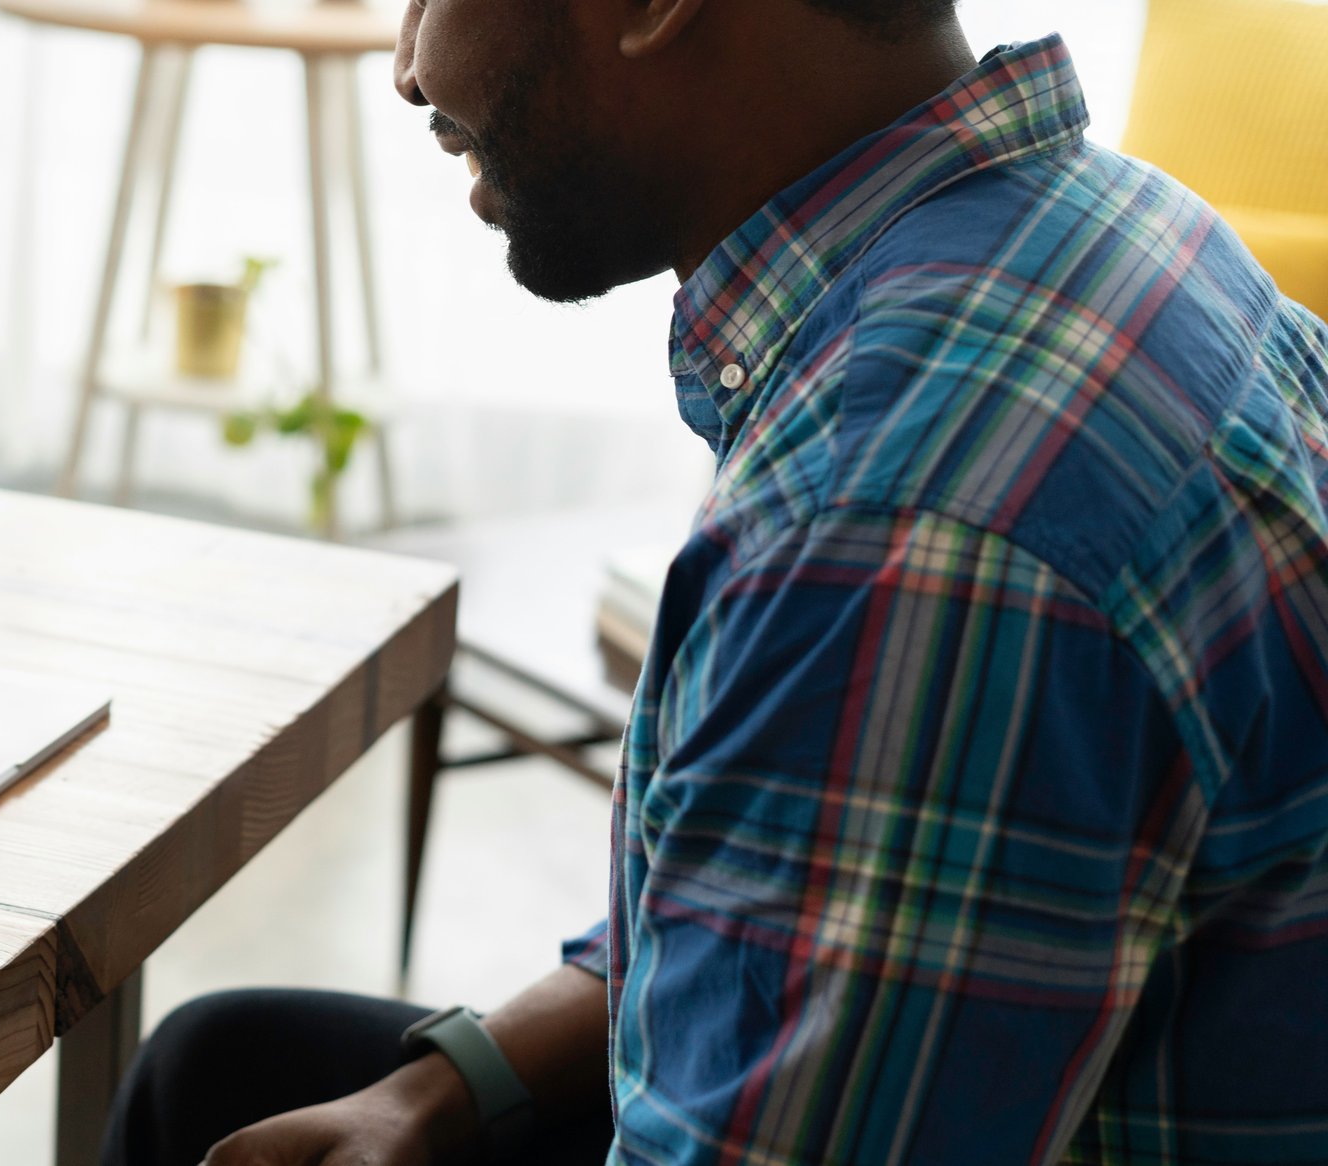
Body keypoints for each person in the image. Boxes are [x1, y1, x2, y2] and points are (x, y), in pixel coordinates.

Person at [103, 0, 1328, 1163]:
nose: (408, 61)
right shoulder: (1103, 236)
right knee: (223, 1065)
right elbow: (769, 901)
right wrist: (443, 1086)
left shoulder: (897, 519)